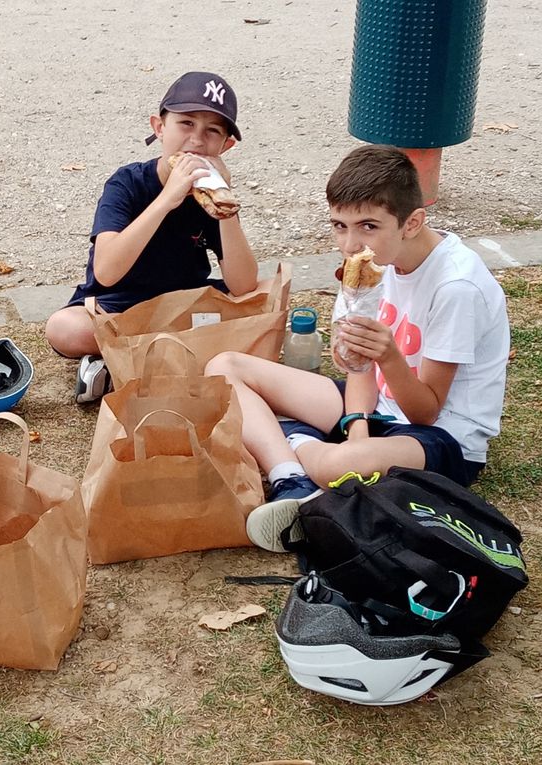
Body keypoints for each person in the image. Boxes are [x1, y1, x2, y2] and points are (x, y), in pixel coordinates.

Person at [206, 145, 509, 552]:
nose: (350, 244)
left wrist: (388, 356)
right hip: (376, 405)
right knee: (225, 368)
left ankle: (287, 444)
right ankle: (292, 479)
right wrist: (357, 426)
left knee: (336, 466)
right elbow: (357, 369)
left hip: (443, 436)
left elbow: (427, 410)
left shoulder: (456, 287)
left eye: (368, 226)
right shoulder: (372, 268)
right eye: (339, 226)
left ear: (412, 222)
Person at [44, 71, 259, 402]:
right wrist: (167, 199)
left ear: (226, 145)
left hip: (185, 304)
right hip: (122, 307)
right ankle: (180, 355)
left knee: (263, 304)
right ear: (159, 127)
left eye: (212, 131)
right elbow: (106, 271)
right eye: (186, 123)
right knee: (64, 329)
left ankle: (129, 361)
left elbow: (243, 284)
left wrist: (225, 205)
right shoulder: (127, 183)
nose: (197, 141)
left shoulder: (210, 197)